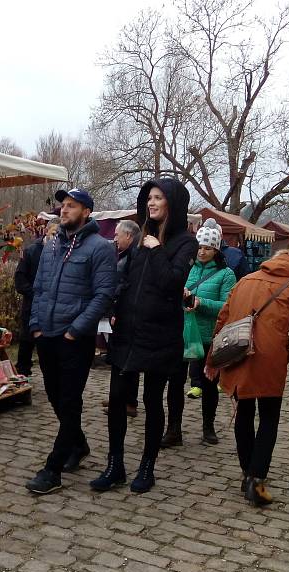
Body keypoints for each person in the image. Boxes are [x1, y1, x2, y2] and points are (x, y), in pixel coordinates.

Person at [90, 178, 198, 494]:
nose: (151, 203)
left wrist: (157, 249)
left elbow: (171, 283)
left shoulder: (184, 243)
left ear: (173, 204)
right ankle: (115, 466)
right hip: (127, 332)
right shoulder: (142, 239)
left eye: (158, 198)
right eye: (149, 198)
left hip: (160, 336)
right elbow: (129, 280)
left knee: (152, 402)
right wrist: (114, 305)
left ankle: (147, 467)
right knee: (118, 400)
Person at [208, 250, 289, 506]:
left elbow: (223, 319)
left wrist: (213, 360)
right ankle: (256, 480)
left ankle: (247, 472)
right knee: (269, 417)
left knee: (244, 413)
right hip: (270, 358)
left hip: (238, 351)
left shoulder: (246, 279)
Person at [25, 188, 116, 494]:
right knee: (53, 396)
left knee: (69, 399)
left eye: (71, 206)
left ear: (86, 212)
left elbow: (104, 294)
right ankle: (78, 444)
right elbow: (38, 288)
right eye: (62, 205)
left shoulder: (100, 248)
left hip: (74, 339)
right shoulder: (51, 246)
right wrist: (36, 325)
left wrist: (76, 329)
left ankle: (53, 469)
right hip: (46, 334)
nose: (63, 210)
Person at [161, 218, 236, 448]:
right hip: (180, 333)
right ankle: (173, 429)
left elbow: (227, 306)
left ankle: (208, 427)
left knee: (208, 384)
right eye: (200, 246)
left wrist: (201, 302)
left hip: (207, 336)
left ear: (216, 249)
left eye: (207, 248)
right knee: (175, 383)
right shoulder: (187, 268)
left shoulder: (226, 274)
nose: (202, 251)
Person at [101, 219, 142, 418]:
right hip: (121, 313)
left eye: (118, 234)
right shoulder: (126, 254)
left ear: (129, 236)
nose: (115, 238)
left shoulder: (133, 256)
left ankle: (129, 401)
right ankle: (118, 396)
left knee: (128, 362)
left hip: (127, 316)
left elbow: (126, 285)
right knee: (120, 360)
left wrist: (116, 309)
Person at [14, 210, 60, 376]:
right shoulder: (31, 251)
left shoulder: (63, 251)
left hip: (53, 308)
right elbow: (19, 280)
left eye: (59, 234)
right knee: (26, 342)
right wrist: (36, 294)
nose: (56, 237)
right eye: (54, 233)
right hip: (31, 304)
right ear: (47, 231)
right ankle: (22, 375)